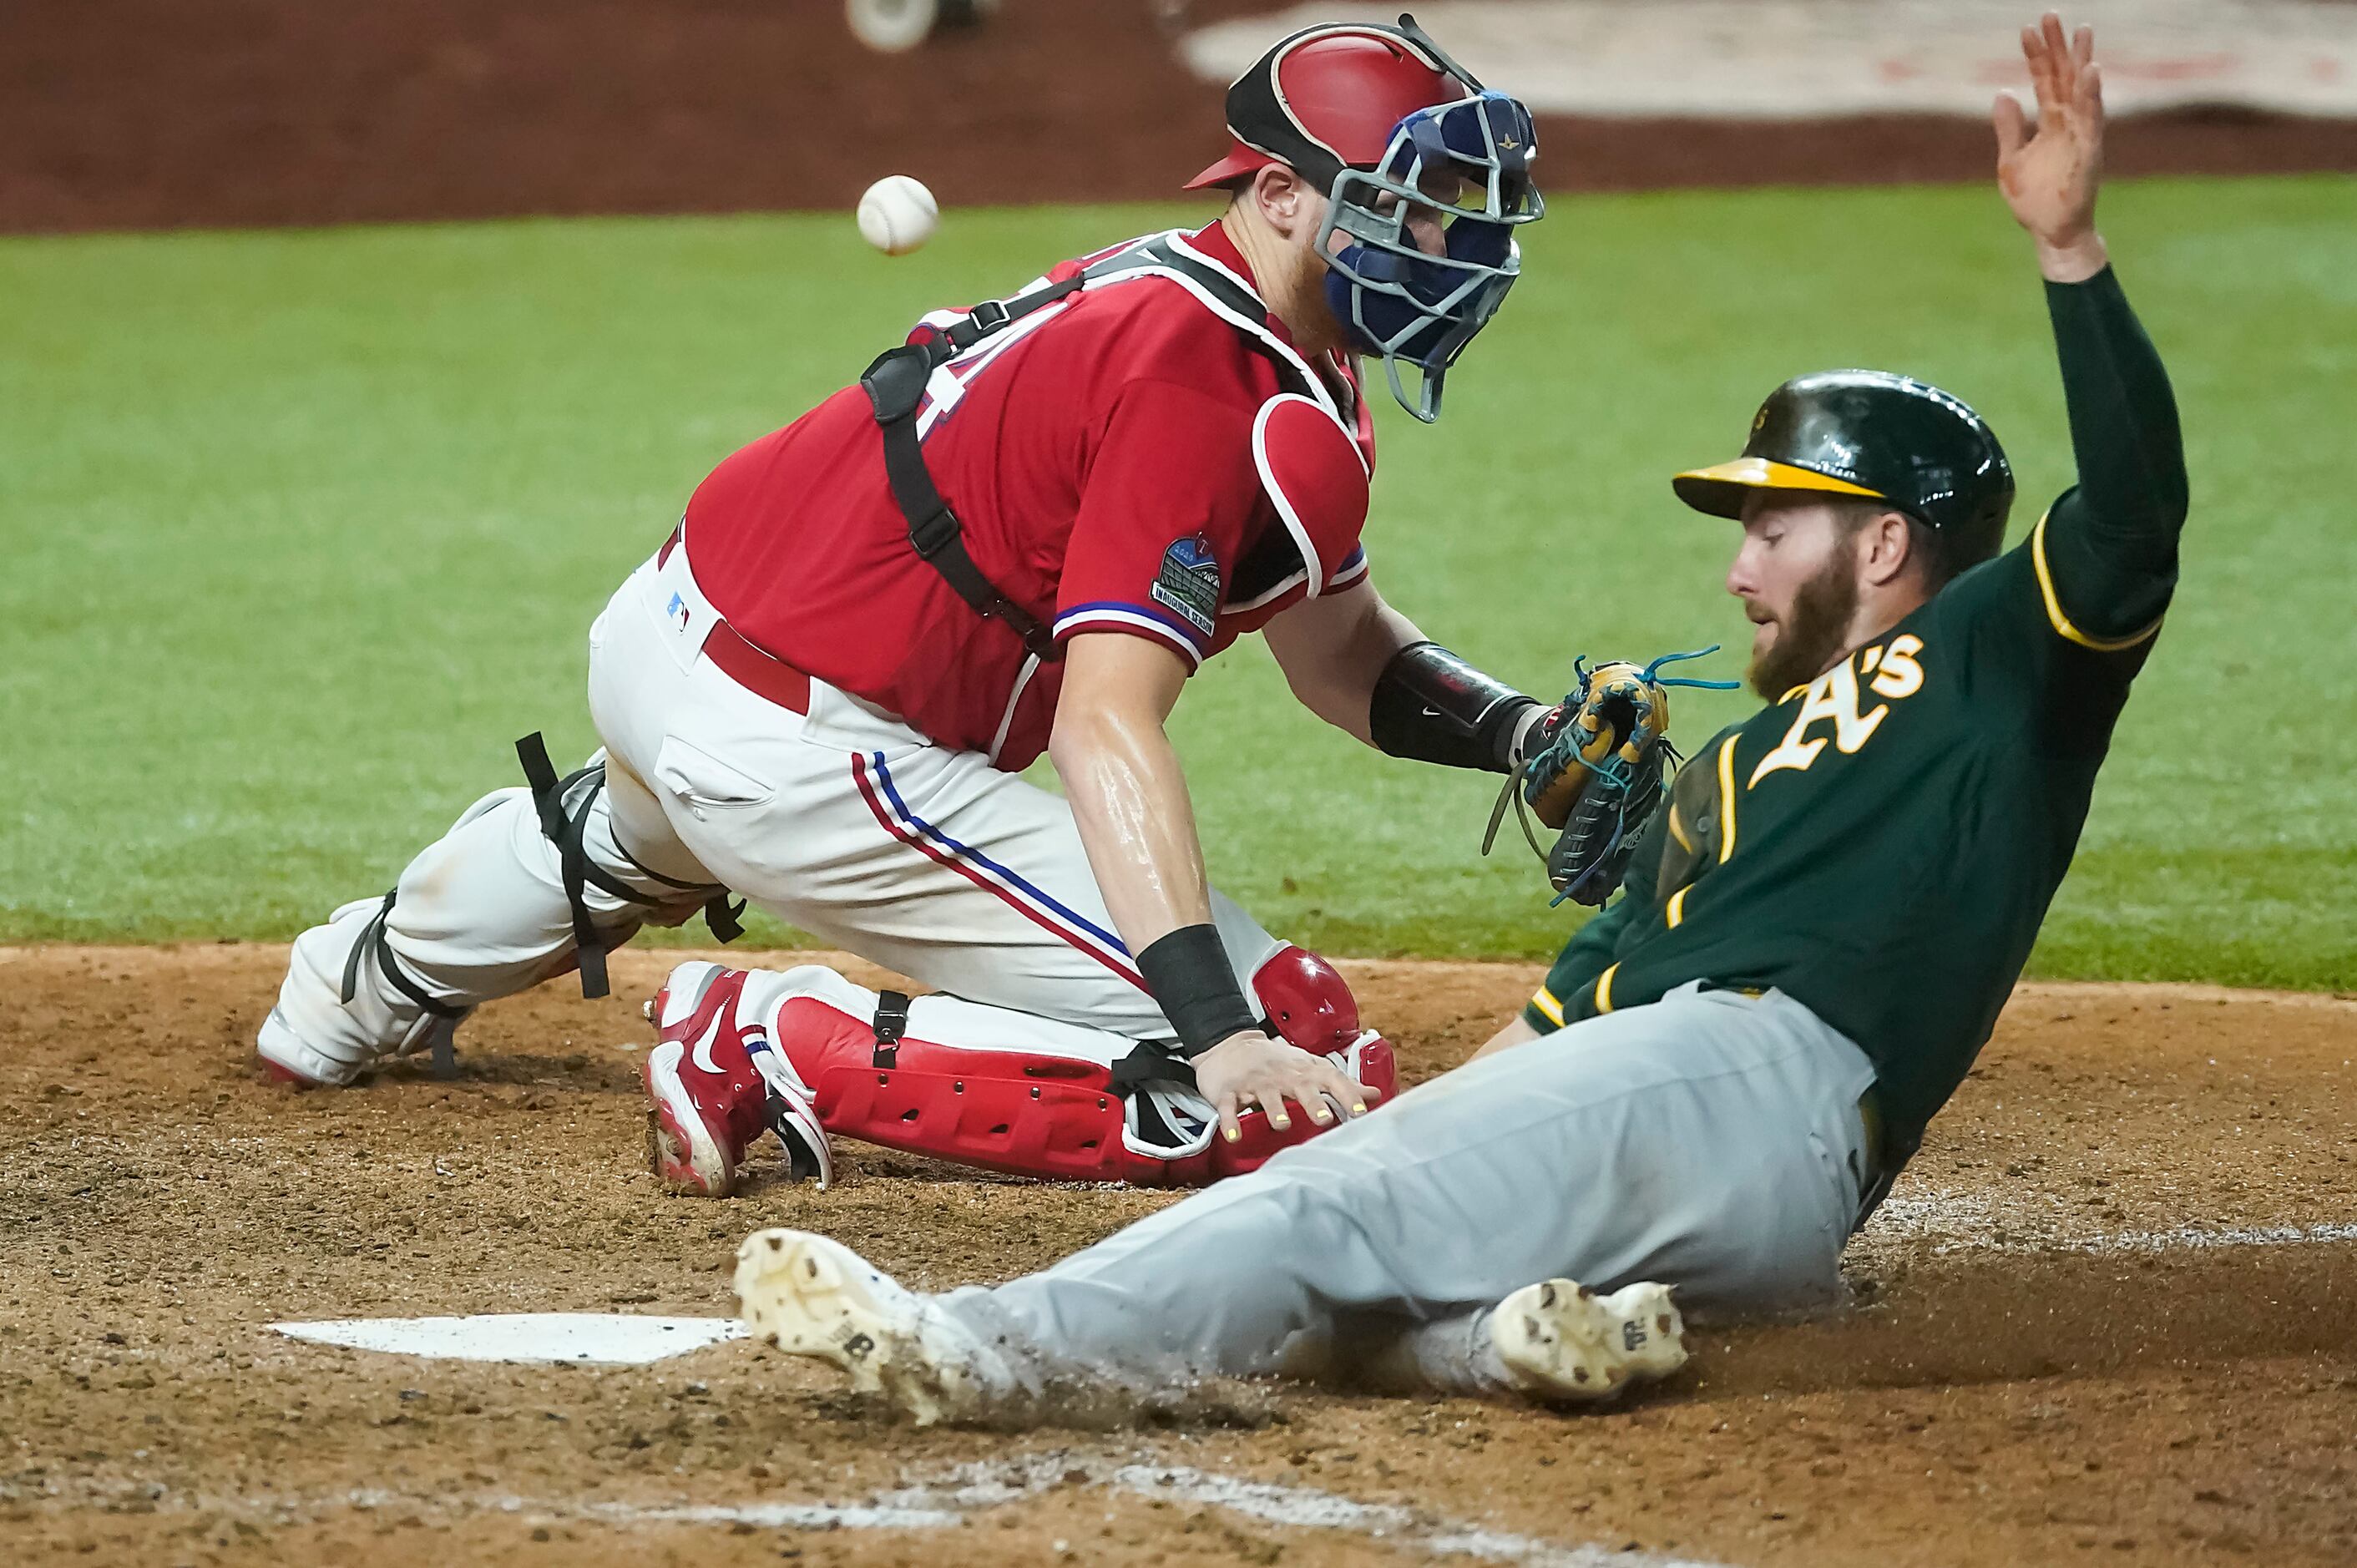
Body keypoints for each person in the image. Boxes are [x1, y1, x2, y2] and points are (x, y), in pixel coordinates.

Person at [730, 13, 2189, 1421]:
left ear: (1884, 545)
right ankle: (1512, 1346)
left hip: (1748, 1073)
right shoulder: (1729, 780)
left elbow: (2132, 517)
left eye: (1777, 528)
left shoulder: (1995, 655)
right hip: (1738, 1175)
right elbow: (1561, 1018)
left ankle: (984, 1345)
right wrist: (1413, 1126)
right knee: (1365, 1248)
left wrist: (2070, 252)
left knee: (1326, 1211)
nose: (1738, 565)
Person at [257, 19, 1612, 1197]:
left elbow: (1336, 652)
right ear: (1277, 193)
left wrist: (1521, 736)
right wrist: (1216, 1025)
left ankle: (345, 987)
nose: (1451, 249)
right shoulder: (1199, 382)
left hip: (676, 631)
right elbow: (1104, 726)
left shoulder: (1232, 313)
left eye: (1459, 214)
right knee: (1289, 1053)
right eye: (1414, 210)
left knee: (645, 827)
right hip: (801, 747)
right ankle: (765, 1033)